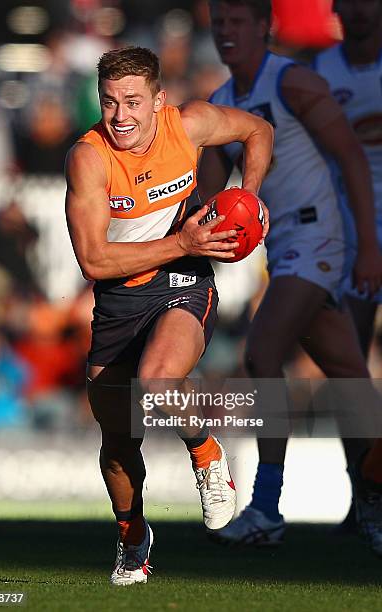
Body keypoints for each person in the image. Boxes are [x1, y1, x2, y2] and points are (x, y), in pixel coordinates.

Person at [65, 46, 273, 585]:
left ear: (159, 101)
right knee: (117, 446)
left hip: (184, 285)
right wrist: (183, 240)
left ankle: (207, 455)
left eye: (133, 102)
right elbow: (92, 259)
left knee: (157, 383)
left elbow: (257, 131)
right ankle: (134, 538)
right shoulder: (89, 156)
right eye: (109, 103)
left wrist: (247, 198)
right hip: (118, 300)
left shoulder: (190, 124)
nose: (121, 117)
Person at [198, 0, 382, 550]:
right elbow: (205, 196)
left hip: (324, 239)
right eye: (219, 23)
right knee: (350, 377)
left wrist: (367, 245)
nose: (227, 32)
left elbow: (350, 156)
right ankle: (372, 503)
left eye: (238, 21)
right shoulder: (222, 104)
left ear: (263, 27)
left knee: (262, 351)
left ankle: (266, 504)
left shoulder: (294, 81)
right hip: (285, 248)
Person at [313, 0, 382, 544]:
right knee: (348, 373)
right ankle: (363, 497)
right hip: (350, 242)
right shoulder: (319, 72)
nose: (359, 10)